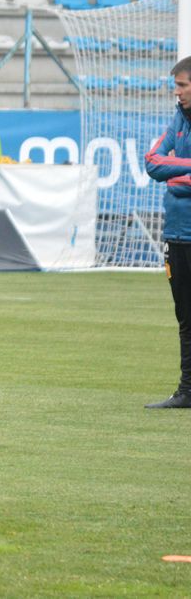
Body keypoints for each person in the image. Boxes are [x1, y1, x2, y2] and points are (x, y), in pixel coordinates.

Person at [146, 56, 191, 409]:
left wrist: (174, 176)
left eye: (182, 85)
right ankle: (187, 390)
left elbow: (166, 167)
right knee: (185, 317)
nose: (177, 93)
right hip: (176, 233)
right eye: (176, 86)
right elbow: (152, 162)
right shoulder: (179, 119)